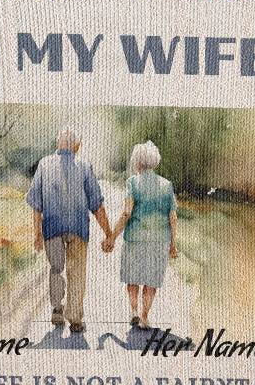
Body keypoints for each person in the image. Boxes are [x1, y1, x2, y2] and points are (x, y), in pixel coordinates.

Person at [26, 128, 113, 334]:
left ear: (58, 144)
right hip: (78, 229)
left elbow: (36, 204)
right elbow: (97, 205)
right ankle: (74, 318)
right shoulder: (84, 167)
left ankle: (57, 309)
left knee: (56, 268)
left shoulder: (44, 165)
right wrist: (108, 233)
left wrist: (37, 235)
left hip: (52, 228)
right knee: (77, 272)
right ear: (76, 146)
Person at [105, 141, 178, 329]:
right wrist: (173, 244)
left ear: (137, 162)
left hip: (135, 239)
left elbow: (127, 212)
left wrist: (112, 236)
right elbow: (172, 217)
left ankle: (134, 311)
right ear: (155, 161)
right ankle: (145, 317)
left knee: (133, 278)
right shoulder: (167, 185)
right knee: (151, 281)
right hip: (159, 240)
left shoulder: (132, 182)